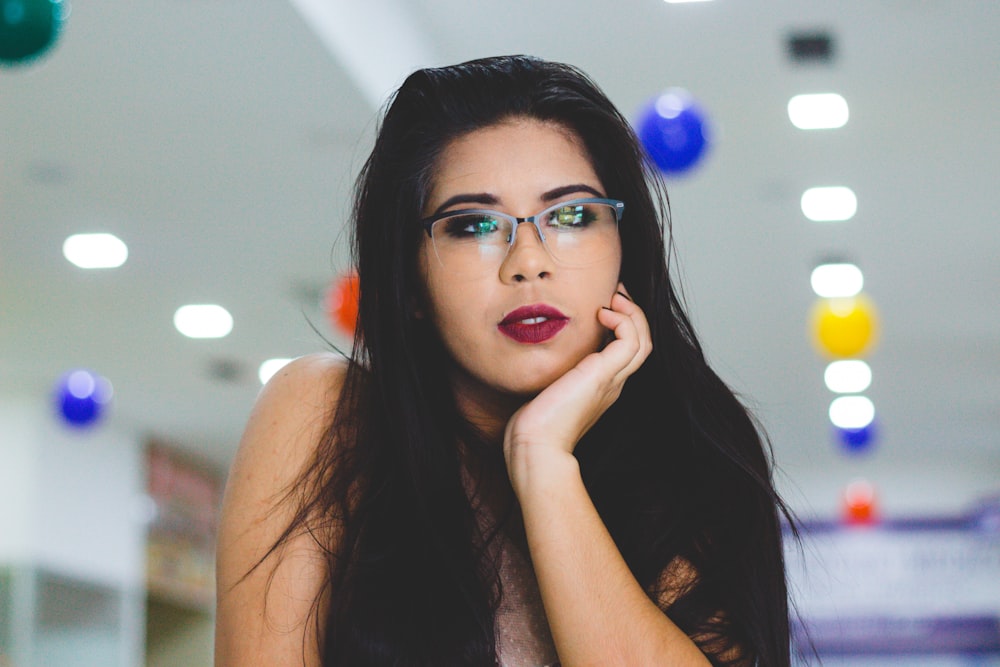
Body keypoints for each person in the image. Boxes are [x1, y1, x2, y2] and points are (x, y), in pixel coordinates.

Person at [215, 55, 796, 667]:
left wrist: (543, 463)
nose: (527, 261)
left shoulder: (696, 454)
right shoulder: (327, 417)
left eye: (571, 215)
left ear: (625, 249)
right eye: (472, 225)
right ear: (408, 279)